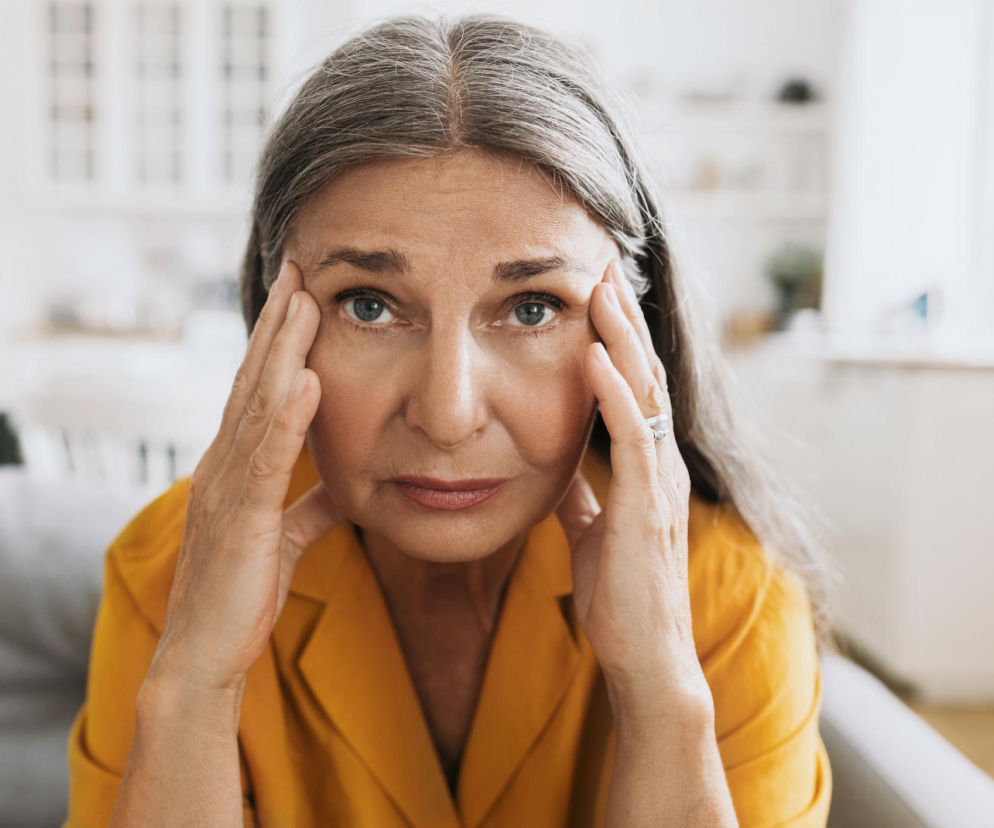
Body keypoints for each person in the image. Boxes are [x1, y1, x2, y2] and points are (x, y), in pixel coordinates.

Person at [65, 13, 836, 827]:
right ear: (272, 320)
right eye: (370, 305)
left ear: (628, 334)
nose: (447, 413)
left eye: (533, 308)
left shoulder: (733, 603)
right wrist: (191, 686)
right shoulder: (163, 578)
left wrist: (660, 695)